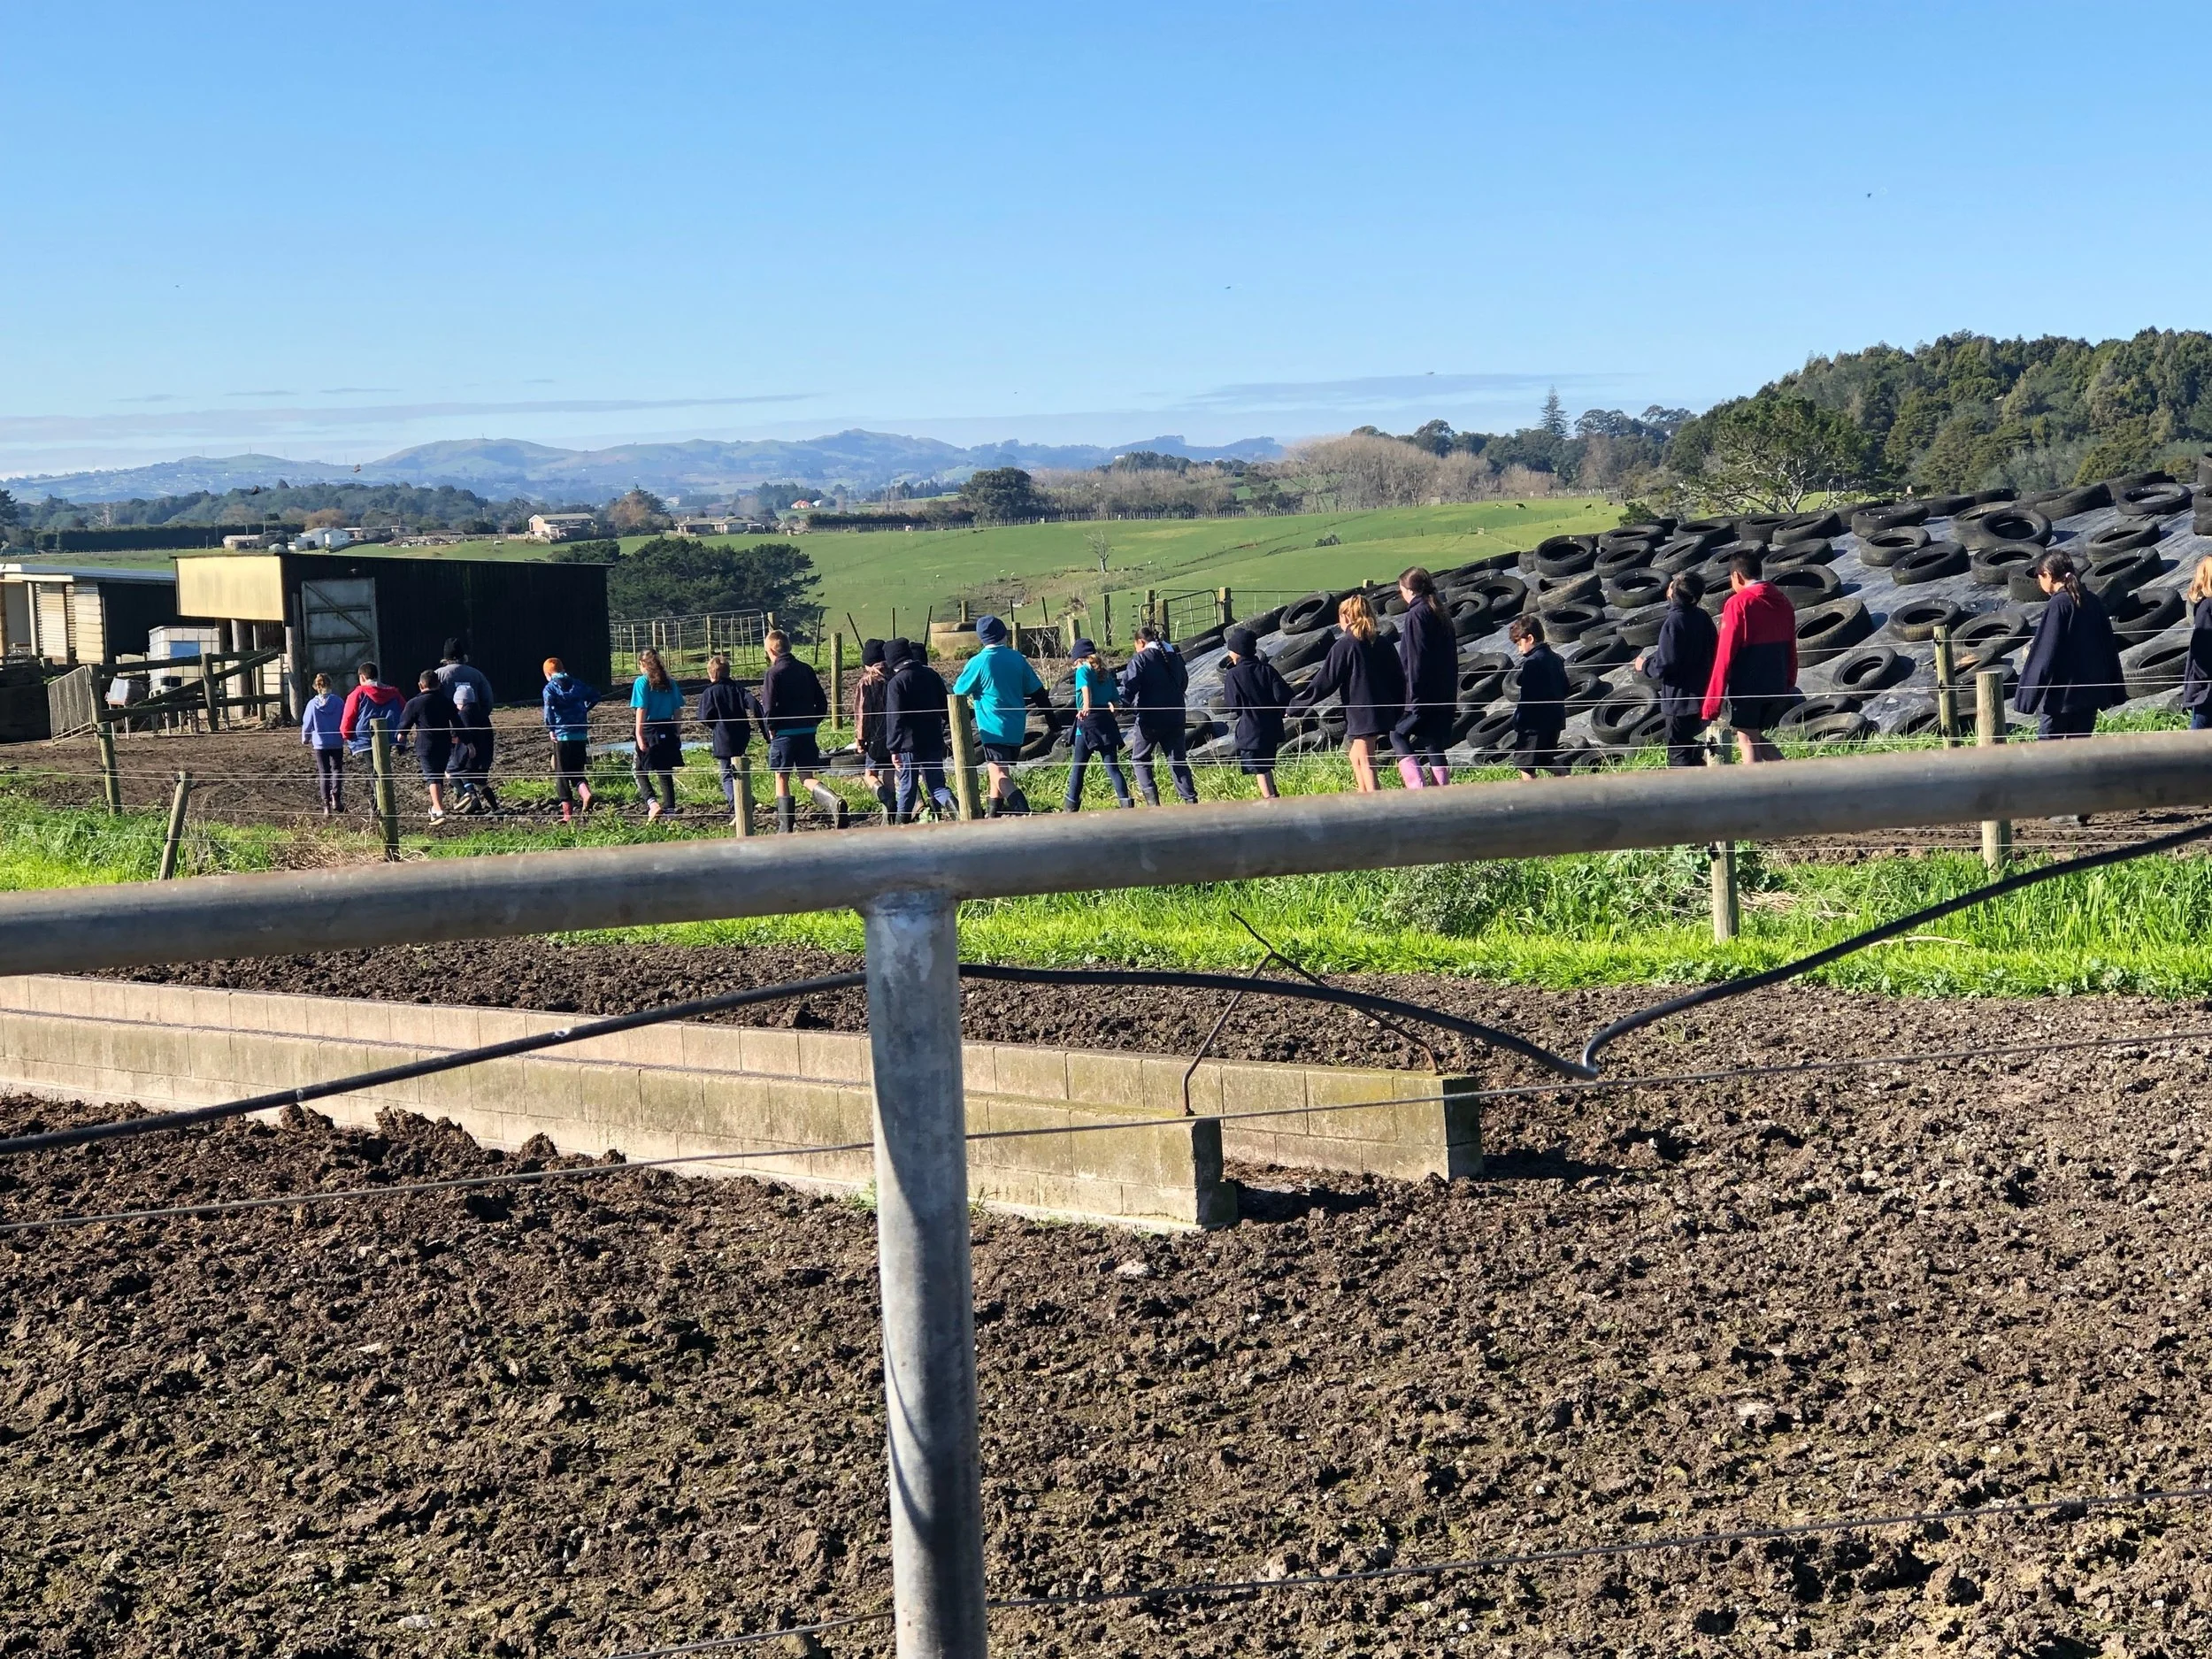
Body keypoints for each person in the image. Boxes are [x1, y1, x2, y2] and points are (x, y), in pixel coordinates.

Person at [1289, 593, 1405, 793]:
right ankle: (1363, 793)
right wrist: (1398, 708)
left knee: (1366, 759)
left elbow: (1326, 681)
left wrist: (1298, 705)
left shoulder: (1345, 645)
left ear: (1347, 617)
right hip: (1382, 709)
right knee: (1355, 755)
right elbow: (1399, 677)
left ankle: (1375, 802)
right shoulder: (1382, 642)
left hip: (1362, 713)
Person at [2016, 549, 2124, 741]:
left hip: (2060, 700)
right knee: (2079, 757)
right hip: (2090, 697)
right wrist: (2116, 691)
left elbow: (2044, 654)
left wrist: (2026, 699)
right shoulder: (2093, 601)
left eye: (2039, 577)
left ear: (2047, 575)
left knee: (2049, 759)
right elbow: (2109, 648)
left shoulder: (2058, 605)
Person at [1701, 550, 1798, 764]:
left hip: (1749, 685)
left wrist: (1712, 702)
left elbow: (1724, 655)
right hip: (1777, 681)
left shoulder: (1738, 604)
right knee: (1756, 737)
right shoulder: (1782, 600)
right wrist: (1789, 680)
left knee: (1746, 740)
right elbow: (1792, 645)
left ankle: (1755, 792)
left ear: (1737, 576)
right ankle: (1793, 781)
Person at [952, 614, 1047, 814]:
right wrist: (1053, 722)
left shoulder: (978, 662)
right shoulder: (1017, 658)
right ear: (1004, 634)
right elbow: (1037, 690)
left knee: (997, 773)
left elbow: (957, 692)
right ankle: (993, 813)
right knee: (998, 770)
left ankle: (1023, 809)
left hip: (992, 728)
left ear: (981, 638)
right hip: (1017, 727)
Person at [759, 628, 845, 832]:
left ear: (771, 650)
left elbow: (769, 707)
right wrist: (814, 722)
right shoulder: (806, 669)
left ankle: (785, 826)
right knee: (806, 776)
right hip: (807, 732)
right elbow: (822, 701)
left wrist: (771, 728)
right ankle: (833, 800)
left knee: (781, 776)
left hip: (784, 735)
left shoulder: (773, 674)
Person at [1635, 570, 1720, 767]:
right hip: (1701, 692)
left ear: (1673, 593)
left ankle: (1685, 793)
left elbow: (1666, 662)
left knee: (1678, 752)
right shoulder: (1702, 617)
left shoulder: (1673, 623)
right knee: (1687, 744)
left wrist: (1645, 665)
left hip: (1679, 699)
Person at [1393, 567, 1457, 788]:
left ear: (1409, 590)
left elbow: (1416, 658)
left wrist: (1413, 695)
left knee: (1397, 734)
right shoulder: (1439, 611)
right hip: (1443, 692)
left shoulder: (1416, 615)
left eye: (1401, 590)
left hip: (1422, 694)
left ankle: (1417, 788)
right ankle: (1442, 790)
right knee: (1432, 741)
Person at [1118, 625, 1197, 804]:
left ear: (1141, 642)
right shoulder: (1175, 658)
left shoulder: (1141, 659)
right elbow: (1183, 682)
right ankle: (1190, 801)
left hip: (1150, 718)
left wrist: (1120, 706)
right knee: (1178, 760)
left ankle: (1154, 805)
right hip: (1176, 714)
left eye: (1135, 646)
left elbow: (1129, 686)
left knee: (1140, 759)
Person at [884, 638, 958, 821]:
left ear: (892, 659)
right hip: (933, 740)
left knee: (907, 786)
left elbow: (895, 718)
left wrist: (893, 747)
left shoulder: (897, 682)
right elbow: (946, 705)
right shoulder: (931, 675)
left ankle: (901, 825)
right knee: (937, 785)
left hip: (910, 745)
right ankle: (960, 814)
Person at [1217, 626, 1294, 800]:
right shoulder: (1267, 670)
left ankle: (1270, 800)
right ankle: (1273, 795)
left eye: (1231, 650)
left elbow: (1233, 705)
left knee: (1260, 769)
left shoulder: (1234, 675)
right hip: (1272, 727)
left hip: (1251, 729)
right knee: (1266, 766)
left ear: (1237, 651)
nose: (1230, 654)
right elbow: (1283, 695)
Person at [1062, 635, 1134, 810]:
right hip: (1106, 722)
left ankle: (1070, 806)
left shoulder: (1082, 670)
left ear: (1079, 658)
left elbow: (1085, 688)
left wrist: (1086, 706)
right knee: (1112, 768)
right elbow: (1115, 700)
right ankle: (1126, 803)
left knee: (1078, 767)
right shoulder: (1105, 673)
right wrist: (1114, 711)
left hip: (1087, 724)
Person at [697, 653, 764, 825]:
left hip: (722, 736)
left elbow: (703, 716)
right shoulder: (738, 689)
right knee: (740, 769)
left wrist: (715, 724)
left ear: (711, 674)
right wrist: (764, 729)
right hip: (741, 735)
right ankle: (745, 798)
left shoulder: (710, 692)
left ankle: (737, 807)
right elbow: (755, 704)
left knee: (727, 773)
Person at [434, 637, 500, 814]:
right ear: (463, 656)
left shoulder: (439, 674)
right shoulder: (476, 674)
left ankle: (466, 795)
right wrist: (478, 717)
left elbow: (433, 699)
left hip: (449, 727)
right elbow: (488, 701)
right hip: (477, 726)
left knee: (453, 764)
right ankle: (471, 797)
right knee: (469, 765)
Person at [1508, 614, 1570, 780]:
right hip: (1555, 720)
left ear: (1530, 638)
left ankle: (1533, 802)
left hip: (1534, 725)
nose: (1519, 649)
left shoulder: (1532, 663)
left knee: (1524, 765)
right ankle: (1571, 783)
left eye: (1519, 643)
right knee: (1545, 759)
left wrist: (1519, 720)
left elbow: (1528, 697)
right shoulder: (1556, 658)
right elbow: (1566, 687)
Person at [396, 670, 460, 823]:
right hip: (444, 744)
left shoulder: (414, 703)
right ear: (438, 684)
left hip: (426, 746)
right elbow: (458, 723)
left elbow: (404, 726)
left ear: (420, 685)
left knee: (432, 777)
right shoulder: (446, 701)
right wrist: (465, 741)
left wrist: (400, 738)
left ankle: (438, 810)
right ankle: (436, 806)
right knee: (438, 776)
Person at [541, 657, 598, 824]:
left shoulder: (550, 688)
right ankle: (586, 793)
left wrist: (551, 729)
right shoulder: (578, 684)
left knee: (562, 774)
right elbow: (595, 695)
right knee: (577, 770)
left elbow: (548, 711)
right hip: (580, 733)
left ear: (548, 674)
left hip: (562, 733)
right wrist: (584, 709)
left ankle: (567, 815)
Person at [630, 647, 685, 821]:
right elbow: (677, 709)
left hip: (649, 728)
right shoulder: (670, 682)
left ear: (642, 664)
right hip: (668, 727)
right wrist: (677, 731)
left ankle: (653, 804)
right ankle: (670, 812)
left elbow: (642, 709)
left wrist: (638, 734)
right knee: (665, 770)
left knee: (638, 769)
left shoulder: (642, 682)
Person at [853, 637, 895, 818]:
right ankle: (890, 815)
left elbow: (862, 713)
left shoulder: (866, 682)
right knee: (890, 773)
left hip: (875, 737)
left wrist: (860, 738)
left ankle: (886, 798)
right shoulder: (894, 676)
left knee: (870, 774)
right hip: (894, 734)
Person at [299, 671, 346, 817]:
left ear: (316, 687)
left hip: (320, 743)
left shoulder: (312, 705)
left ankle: (326, 805)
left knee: (324, 773)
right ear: (330, 685)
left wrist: (305, 738)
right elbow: (344, 719)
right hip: (337, 741)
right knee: (337, 769)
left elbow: (307, 723)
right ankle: (336, 797)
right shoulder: (338, 702)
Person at [338, 661, 406, 756]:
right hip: (390, 736)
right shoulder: (394, 693)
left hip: (365, 738)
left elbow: (349, 715)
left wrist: (346, 734)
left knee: (372, 767)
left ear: (362, 677)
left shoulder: (357, 694)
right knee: (384, 763)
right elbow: (405, 711)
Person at [2184, 557, 2212, 732]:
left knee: (2196, 738)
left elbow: (2201, 648)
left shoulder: (2206, 607)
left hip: (2206, 689)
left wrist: (2197, 682)